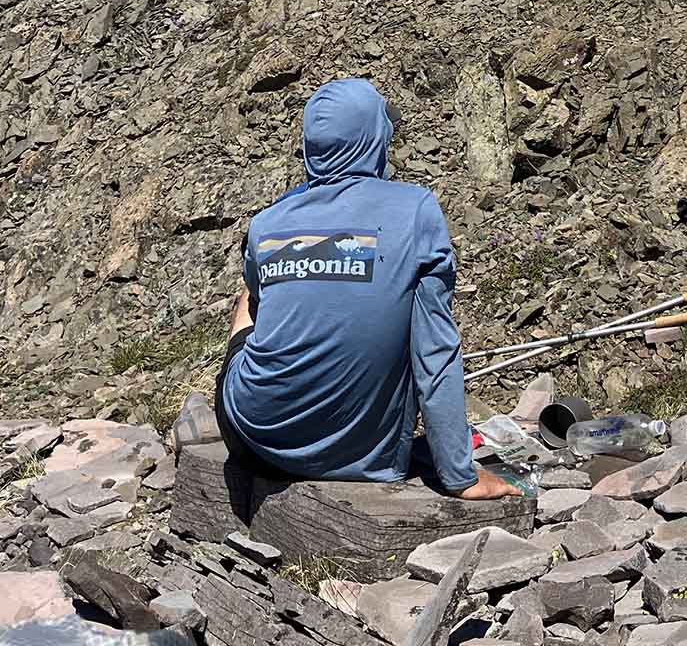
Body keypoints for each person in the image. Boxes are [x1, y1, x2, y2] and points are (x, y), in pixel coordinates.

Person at [214, 78, 519, 499]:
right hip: (361, 457)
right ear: (376, 138)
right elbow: (435, 352)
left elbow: (266, 307)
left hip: (255, 440)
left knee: (248, 302)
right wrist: (460, 475)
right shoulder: (415, 210)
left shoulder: (267, 222)